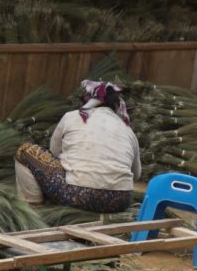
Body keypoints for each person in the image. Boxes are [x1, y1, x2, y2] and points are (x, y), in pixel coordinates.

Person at [15, 80, 138, 210]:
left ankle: (33, 209)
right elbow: (136, 174)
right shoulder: (128, 129)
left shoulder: (72, 116)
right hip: (121, 200)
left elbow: (54, 153)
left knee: (25, 151)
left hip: (76, 195)